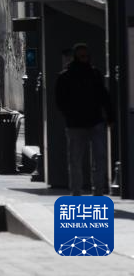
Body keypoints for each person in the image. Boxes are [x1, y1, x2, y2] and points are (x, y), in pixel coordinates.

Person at [55, 43, 113, 196]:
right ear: (75, 57)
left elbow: (103, 96)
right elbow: (60, 100)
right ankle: (76, 192)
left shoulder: (93, 74)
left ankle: (97, 191)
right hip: (77, 124)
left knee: (98, 159)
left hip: (93, 122)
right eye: (81, 57)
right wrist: (70, 114)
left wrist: (109, 115)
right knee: (76, 160)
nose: (84, 59)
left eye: (86, 56)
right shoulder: (66, 76)